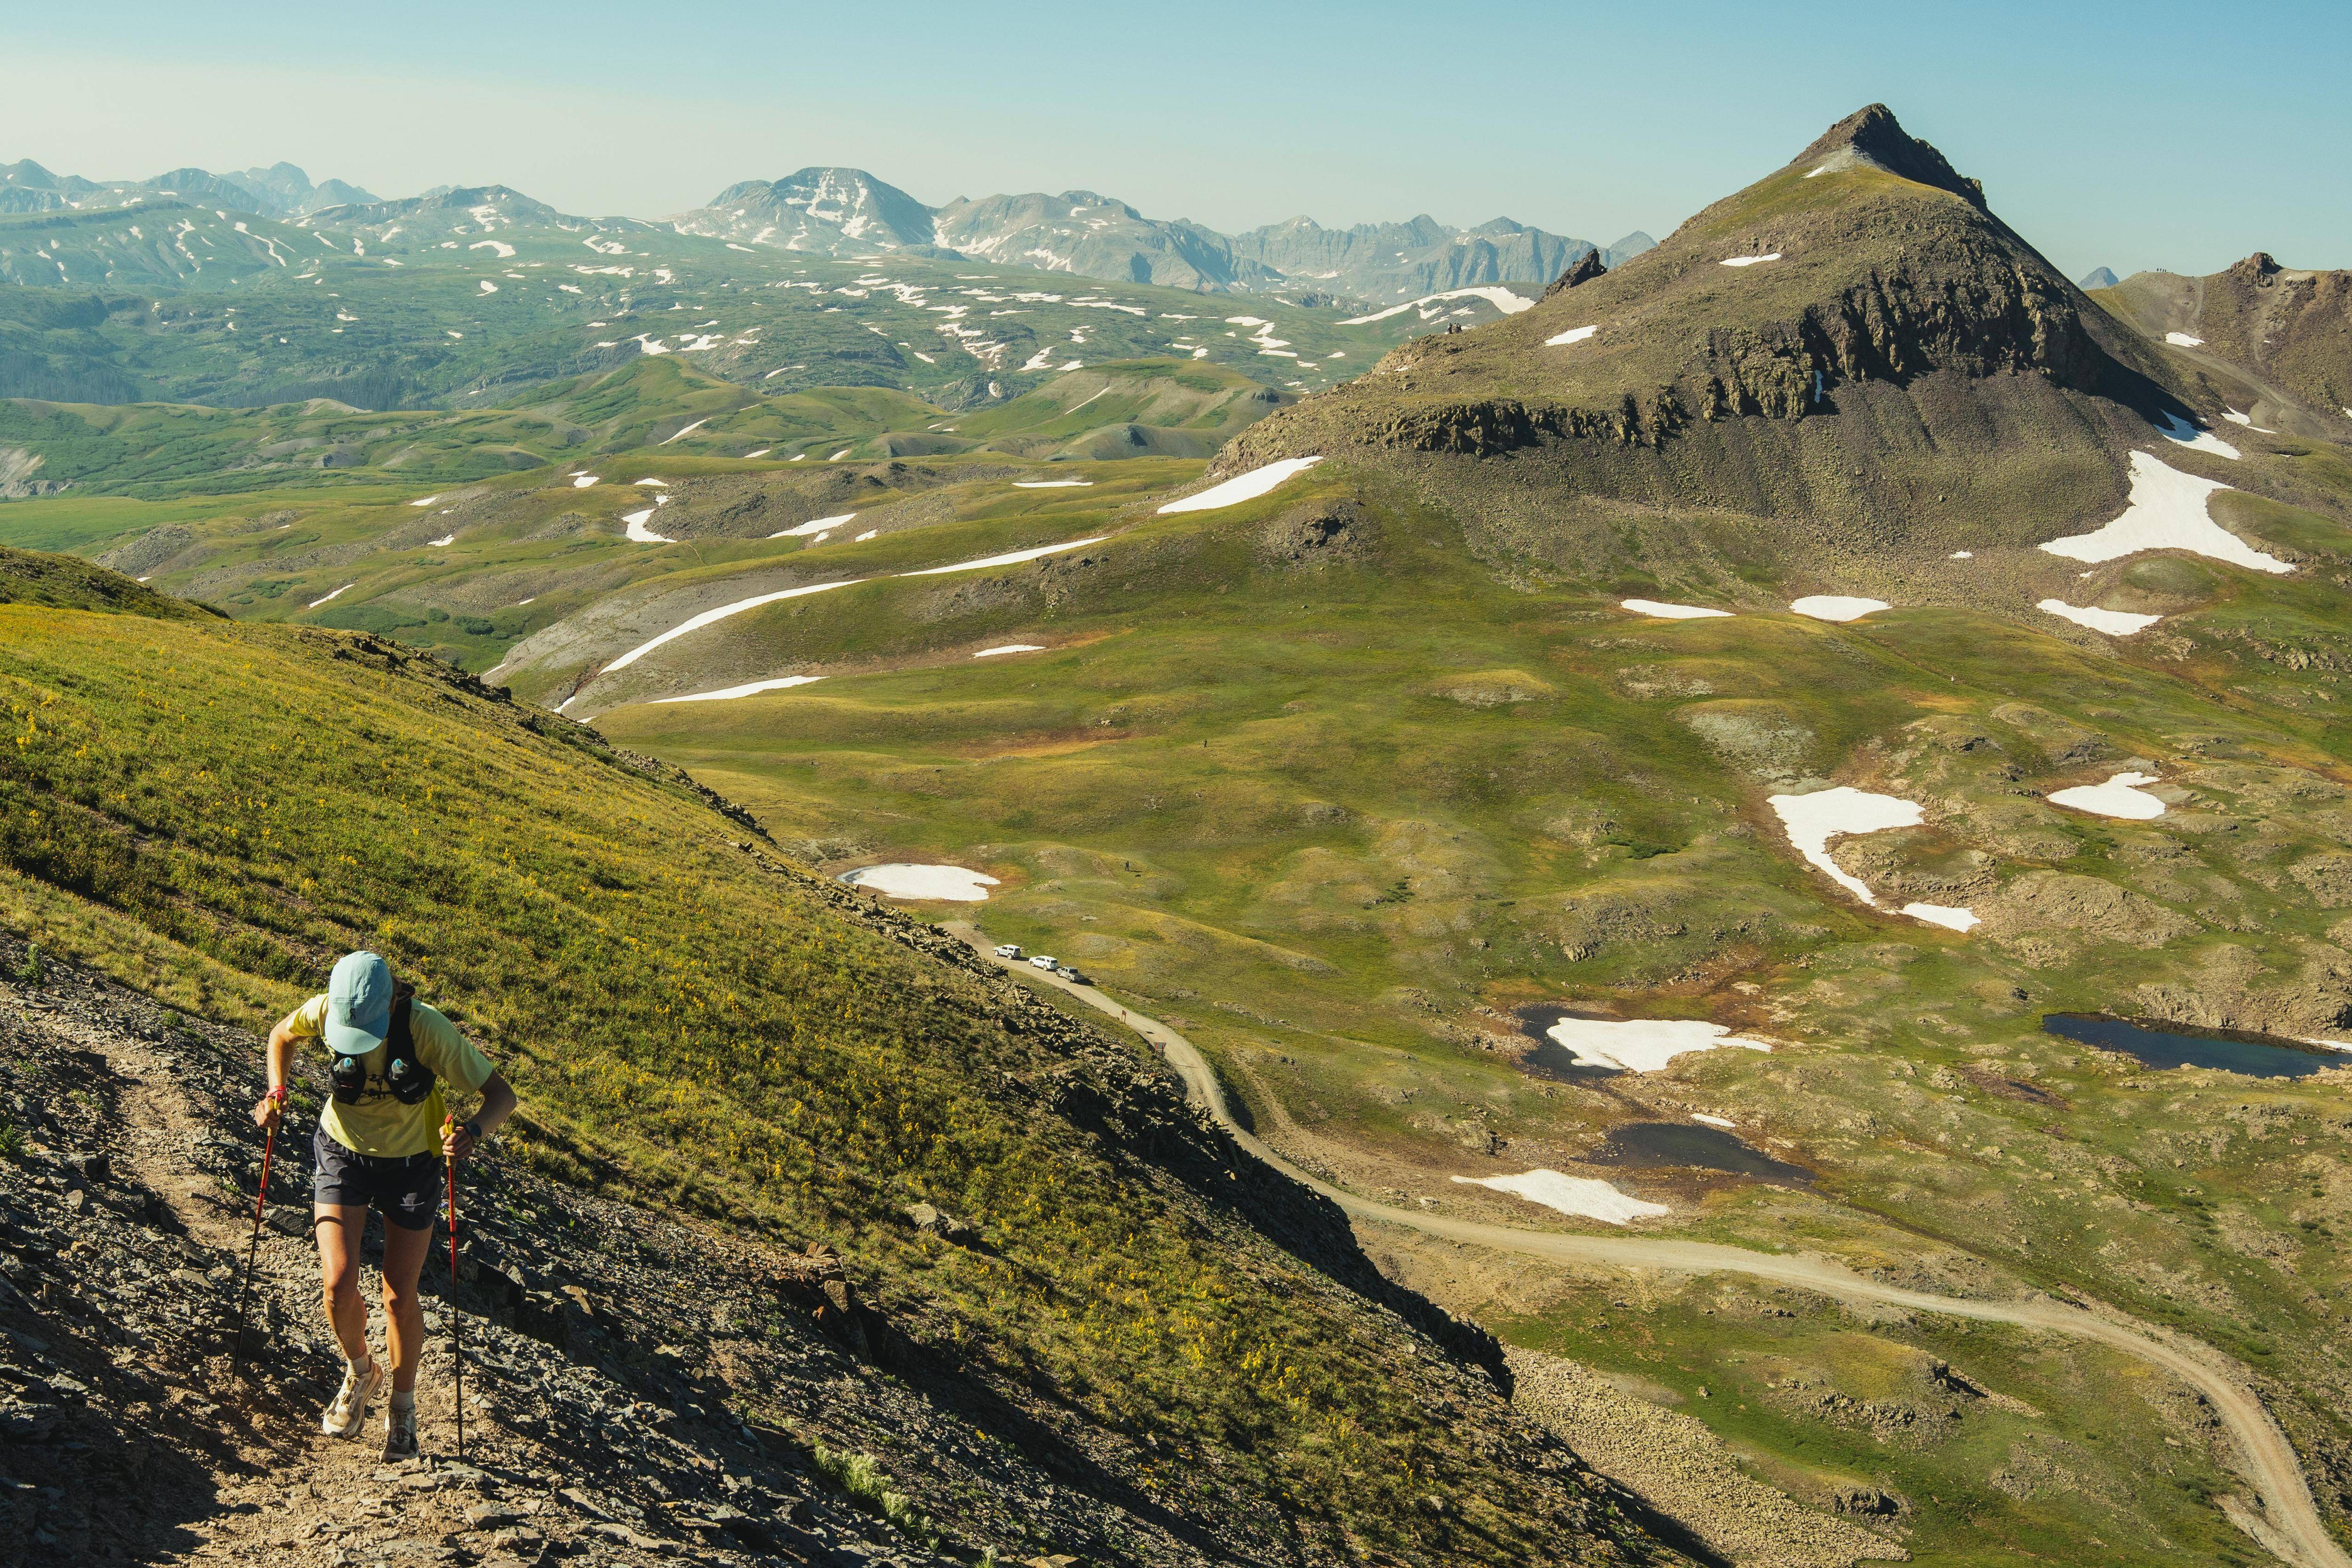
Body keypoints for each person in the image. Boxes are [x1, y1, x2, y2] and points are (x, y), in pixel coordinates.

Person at [251, 950, 516, 1460]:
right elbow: (281, 1036)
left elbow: (501, 1095)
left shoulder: (427, 1030)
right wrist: (276, 1091)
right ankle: (360, 1372)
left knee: (398, 1296)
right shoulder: (327, 1009)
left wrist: (474, 1134)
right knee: (337, 1282)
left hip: (413, 1163)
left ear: (391, 1001)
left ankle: (403, 1406)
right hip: (340, 1152)